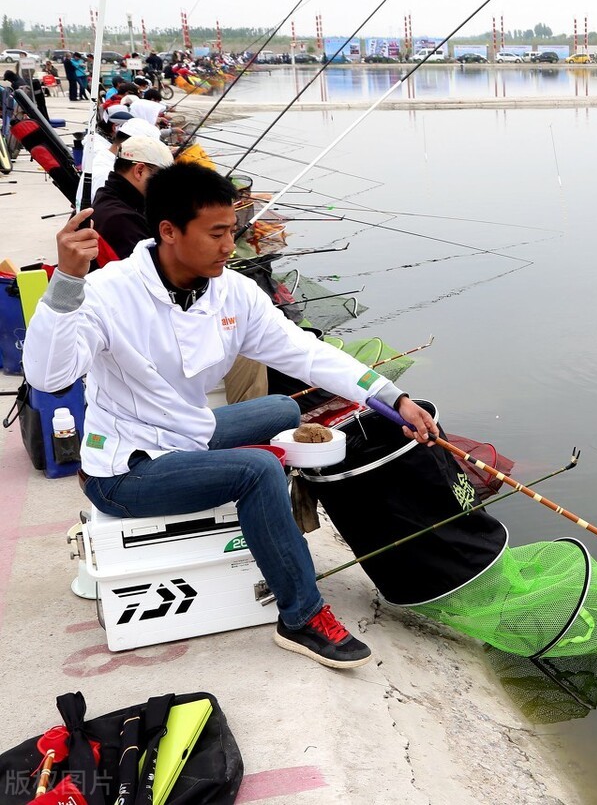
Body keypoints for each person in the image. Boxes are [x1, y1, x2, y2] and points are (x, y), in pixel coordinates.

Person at [24, 163, 440, 668]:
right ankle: (302, 616)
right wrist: (68, 279)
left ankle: (279, 521)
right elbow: (48, 377)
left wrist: (392, 398)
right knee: (258, 468)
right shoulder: (110, 292)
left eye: (232, 232)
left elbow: (305, 353)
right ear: (169, 232)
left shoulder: (232, 291)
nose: (229, 245)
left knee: (284, 407)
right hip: (124, 469)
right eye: (217, 233)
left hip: (187, 436)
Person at [88, 135, 174, 261]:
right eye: (165, 178)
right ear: (139, 171)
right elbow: (154, 271)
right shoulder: (122, 220)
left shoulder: (107, 195)